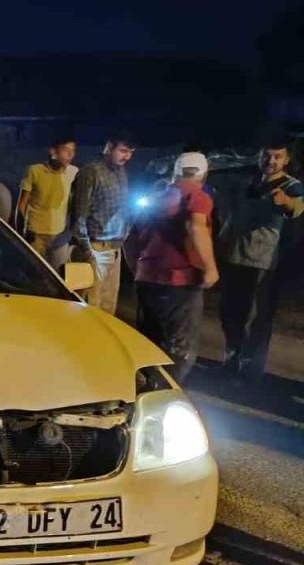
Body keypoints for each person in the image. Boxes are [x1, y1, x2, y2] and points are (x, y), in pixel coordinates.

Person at [212, 139, 304, 381]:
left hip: (263, 264)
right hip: (234, 258)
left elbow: (295, 207)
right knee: (231, 314)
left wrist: (286, 203)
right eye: (267, 155)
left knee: (256, 319)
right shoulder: (245, 182)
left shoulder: (291, 186)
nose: (271, 161)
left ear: (287, 160)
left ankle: (249, 371)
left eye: (278, 157)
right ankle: (230, 361)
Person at [125, 152, 219, 383]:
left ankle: (143, 389)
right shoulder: (198, 197)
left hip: (147, 279)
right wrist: (210, 268)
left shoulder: (153, 198)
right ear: (203, 175)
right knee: (179, 347)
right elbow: (196, 228)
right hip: (181, 282)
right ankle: (166, 393)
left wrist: (137, 269)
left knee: (149, 340)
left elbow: (129, 239)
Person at [70, 134, 137, 315]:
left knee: (108, 306)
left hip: (115, 248)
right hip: (95, 247)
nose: (127, 156)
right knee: (90, 306)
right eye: (123, 151)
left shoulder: (121, 173)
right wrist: (87, 251)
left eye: (131, 152)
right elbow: (79, 215)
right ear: (109, 148)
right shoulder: (90, 172)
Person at [16, 138, 78, 268]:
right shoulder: (35, 170)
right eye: (66, 150)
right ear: (53, 151)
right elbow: (22, 204)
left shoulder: (73, 172)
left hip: (61, 234)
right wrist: (21, 231)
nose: (70, 155)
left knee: (58, 275)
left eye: (73, 151)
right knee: (34, 272)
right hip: (36, 234)